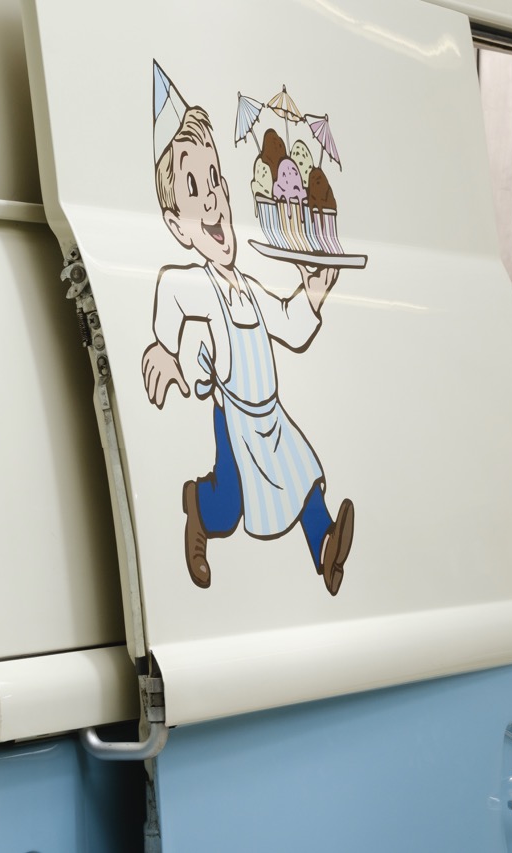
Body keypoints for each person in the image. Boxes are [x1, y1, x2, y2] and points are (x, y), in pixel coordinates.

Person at [143, 100, 352, 595]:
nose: (212, 200)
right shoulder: (197, 284)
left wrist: (313, 292)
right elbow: (168, 291)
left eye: (215, 180)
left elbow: (290, 324)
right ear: (177, 226)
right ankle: (199, 506)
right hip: (235, 416)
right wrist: (165, 349)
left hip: (270, 415)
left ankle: (325, 547)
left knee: (302, 474)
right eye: (195, 189)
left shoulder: (250, 288)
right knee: (231, 502)